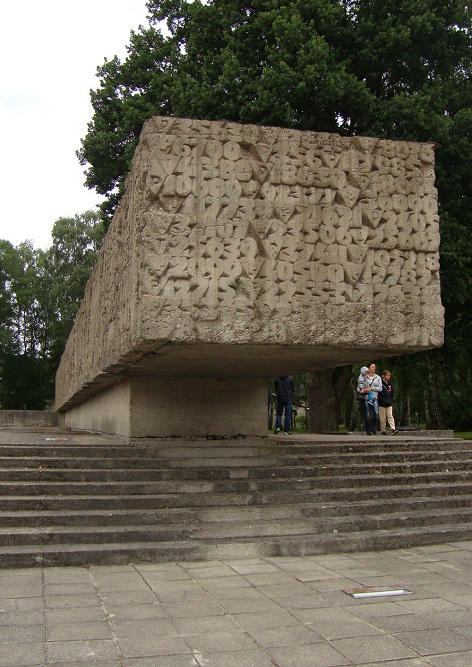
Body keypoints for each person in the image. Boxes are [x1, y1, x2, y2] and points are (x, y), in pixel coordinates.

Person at [357, 363, 382, 435]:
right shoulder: (363, 377)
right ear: (368, 368)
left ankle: (373, 428)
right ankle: (368, 430)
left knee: (376, 413)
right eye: (372, 367)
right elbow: (359, 388)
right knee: (367, 414)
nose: (374, 368)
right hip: (366, 397)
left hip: (374, 397)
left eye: (375, 367)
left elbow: (380, 388)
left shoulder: (377, 377)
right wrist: (363, 390)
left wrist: (372, 388)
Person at [378, 370, 398, 435]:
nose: (389, 377)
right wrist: (381, 400)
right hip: (381, 403)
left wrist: (391, 400)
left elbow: (391, 393)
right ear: (383, 376)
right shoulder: (380, 384)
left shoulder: (390, 384)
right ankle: (383, 430)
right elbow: (378, 394)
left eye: (389, 375)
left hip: (389, 403)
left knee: (390, 416)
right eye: (387, 375)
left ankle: (393, 428)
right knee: (382, 418)